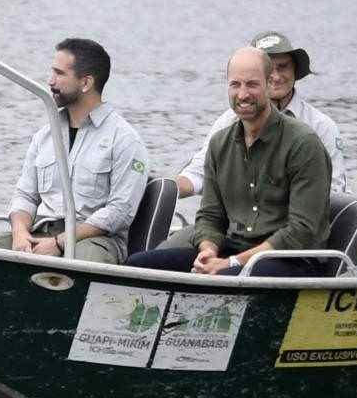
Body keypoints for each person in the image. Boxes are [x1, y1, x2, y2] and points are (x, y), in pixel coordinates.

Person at [127, 45, 330, 276]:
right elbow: (210, 216)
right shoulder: (219, 144)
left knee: (225, 277)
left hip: (291, 259)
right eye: (235, 84)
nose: (243, 94)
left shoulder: (304, 143)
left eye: (252, 84)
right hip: (235, 249)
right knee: (139, 265)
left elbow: (301, 231)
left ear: (268, 84)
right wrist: (208, 251)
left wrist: (231, 263)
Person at [0, 38, 150, 265]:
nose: (50, 81)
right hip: (41, 233)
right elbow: (25, 195)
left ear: (86, 82)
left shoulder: (125, 140)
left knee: (81, 264)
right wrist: (21, 233)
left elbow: (119, 212)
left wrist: (60, 243)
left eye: (59, 74)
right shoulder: (44, 135)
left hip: (94, 241)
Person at [176, 29, 340, 204]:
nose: (275, 76)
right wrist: (166, 189)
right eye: (269, 69)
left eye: (283, 66)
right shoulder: (227, 122)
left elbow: (335, 192)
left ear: (295, 70)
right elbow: (200, 172)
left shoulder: (321, 126)